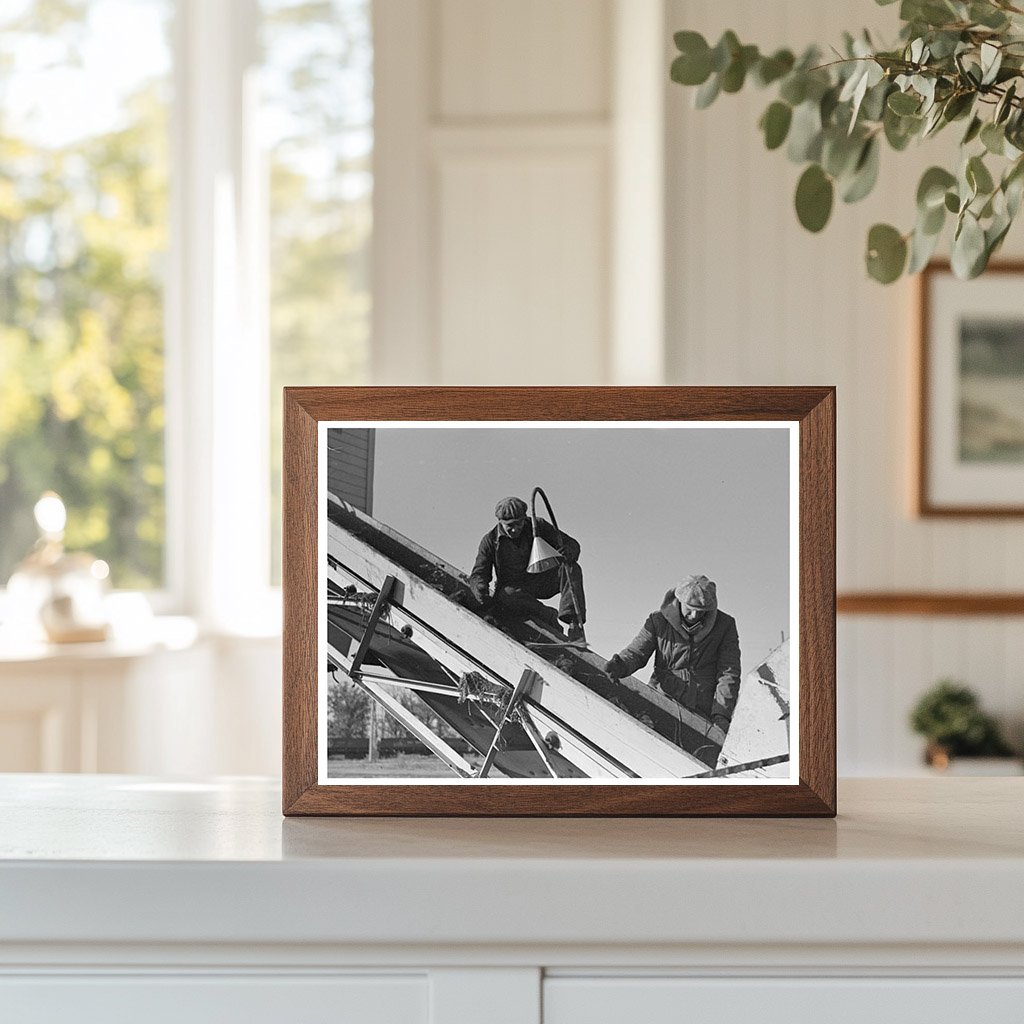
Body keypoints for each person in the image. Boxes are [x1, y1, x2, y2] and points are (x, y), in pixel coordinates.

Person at [604, 575, 740, 736]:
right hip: (661, 700)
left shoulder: (725, 626)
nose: (695, 615)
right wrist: (621, 665)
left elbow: (728, 673)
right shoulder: (657, 621)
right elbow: (636, 653)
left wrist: (721, 714)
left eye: (701, 612)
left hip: (702, 713)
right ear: (679, 601)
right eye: (689, 608)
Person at [469, 496, 586, 641]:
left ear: (525, 518)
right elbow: (478, 573)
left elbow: (572, 544)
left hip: (541, 580)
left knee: (571, 569)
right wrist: (479, 587)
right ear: (500, 523)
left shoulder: (538, 525)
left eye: (519, 524)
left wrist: (568, 550)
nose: (515, 529)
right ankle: (548, 615)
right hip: (516, 592)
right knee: (506, 595)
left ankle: (574, 622)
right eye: (510, 525)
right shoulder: (490, 541)